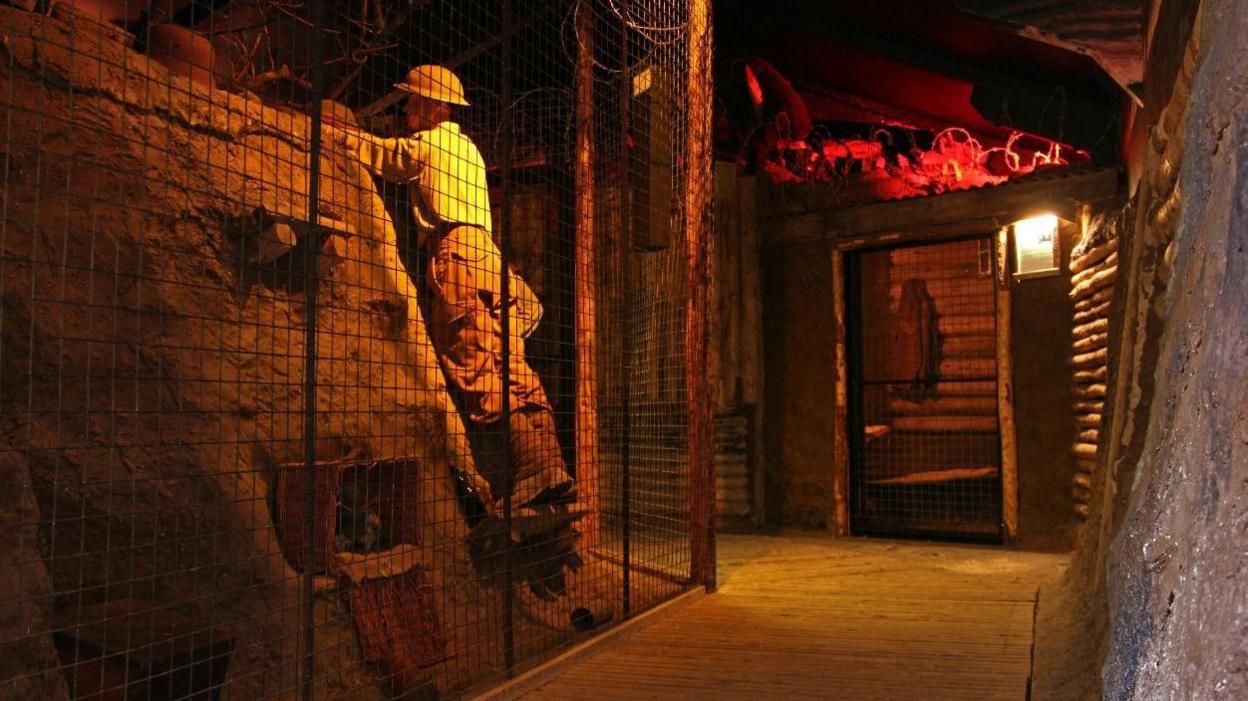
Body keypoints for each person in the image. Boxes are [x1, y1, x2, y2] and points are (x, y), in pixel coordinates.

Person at [327, 65, 576, 522]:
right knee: (512, 367)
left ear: (433, 105)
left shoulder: (432, 142)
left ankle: (533, 472)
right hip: (490, 258)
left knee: (475, 364)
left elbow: (386, 158)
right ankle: (551, 469)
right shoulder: (469, 149)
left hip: (457, 253)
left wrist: (336, 134)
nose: (406, 110)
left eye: (411, 101)